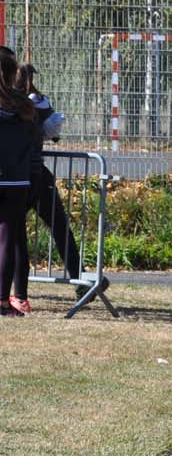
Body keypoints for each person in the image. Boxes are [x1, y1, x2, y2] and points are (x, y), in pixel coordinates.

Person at [20, 63, 82, 288]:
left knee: (13, 233)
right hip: (36, 174)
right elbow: (52, 131)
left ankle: (16, 291)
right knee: (59, 226)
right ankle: (78, 276)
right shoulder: (37, 102)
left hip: (18, 176)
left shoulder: (19, 102)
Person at [0, 48, 38, 317]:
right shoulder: (23, 104)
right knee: (7, 239)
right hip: (15, 180)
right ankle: (3, 301)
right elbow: (37, 135)